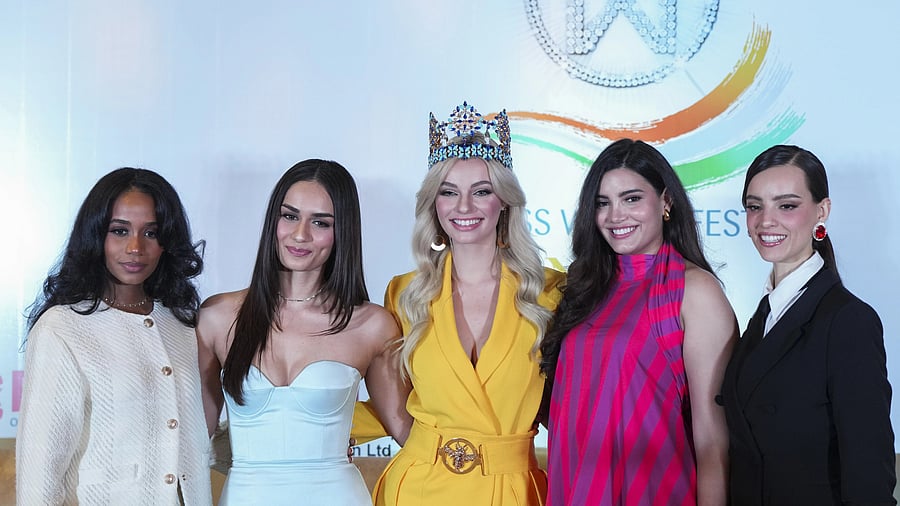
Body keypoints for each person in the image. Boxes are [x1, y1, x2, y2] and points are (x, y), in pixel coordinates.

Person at [356, 101, 565, 505]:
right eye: (448, 192)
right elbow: (390, 403)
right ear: (433, 203)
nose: (463, 207)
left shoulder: (551, 292)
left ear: (504, 201)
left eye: (481, 192)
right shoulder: (405, 293)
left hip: (512, 490)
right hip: (419, 488)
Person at [539, 139, 737, 505]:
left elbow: (713, 438)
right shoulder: (582, 288)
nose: (616, 216)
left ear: (665, 202)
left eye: (631, 199)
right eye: (603, 203)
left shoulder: (694, 290)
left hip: (656, 491)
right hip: (575, 489)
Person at [196, 159, 405, 506]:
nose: (300, 234)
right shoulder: (217, 317)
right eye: (289, 216)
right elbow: (192, 437)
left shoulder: (372, 324)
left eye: (320, 222)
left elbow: (407, 429)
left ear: (343, 233)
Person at [16, 168, 211, 505]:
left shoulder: (181, 324)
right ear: (95, 236)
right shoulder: (62, 327)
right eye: (119, 231)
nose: (135, 247)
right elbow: (39, 470)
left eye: (151, 233)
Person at [720, 145, 896, 504]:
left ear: (822, 211)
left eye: (786, 205)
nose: (766, 220)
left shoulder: (848, 321)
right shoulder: (764, 314)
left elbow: (870, 472)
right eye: (755, 206)